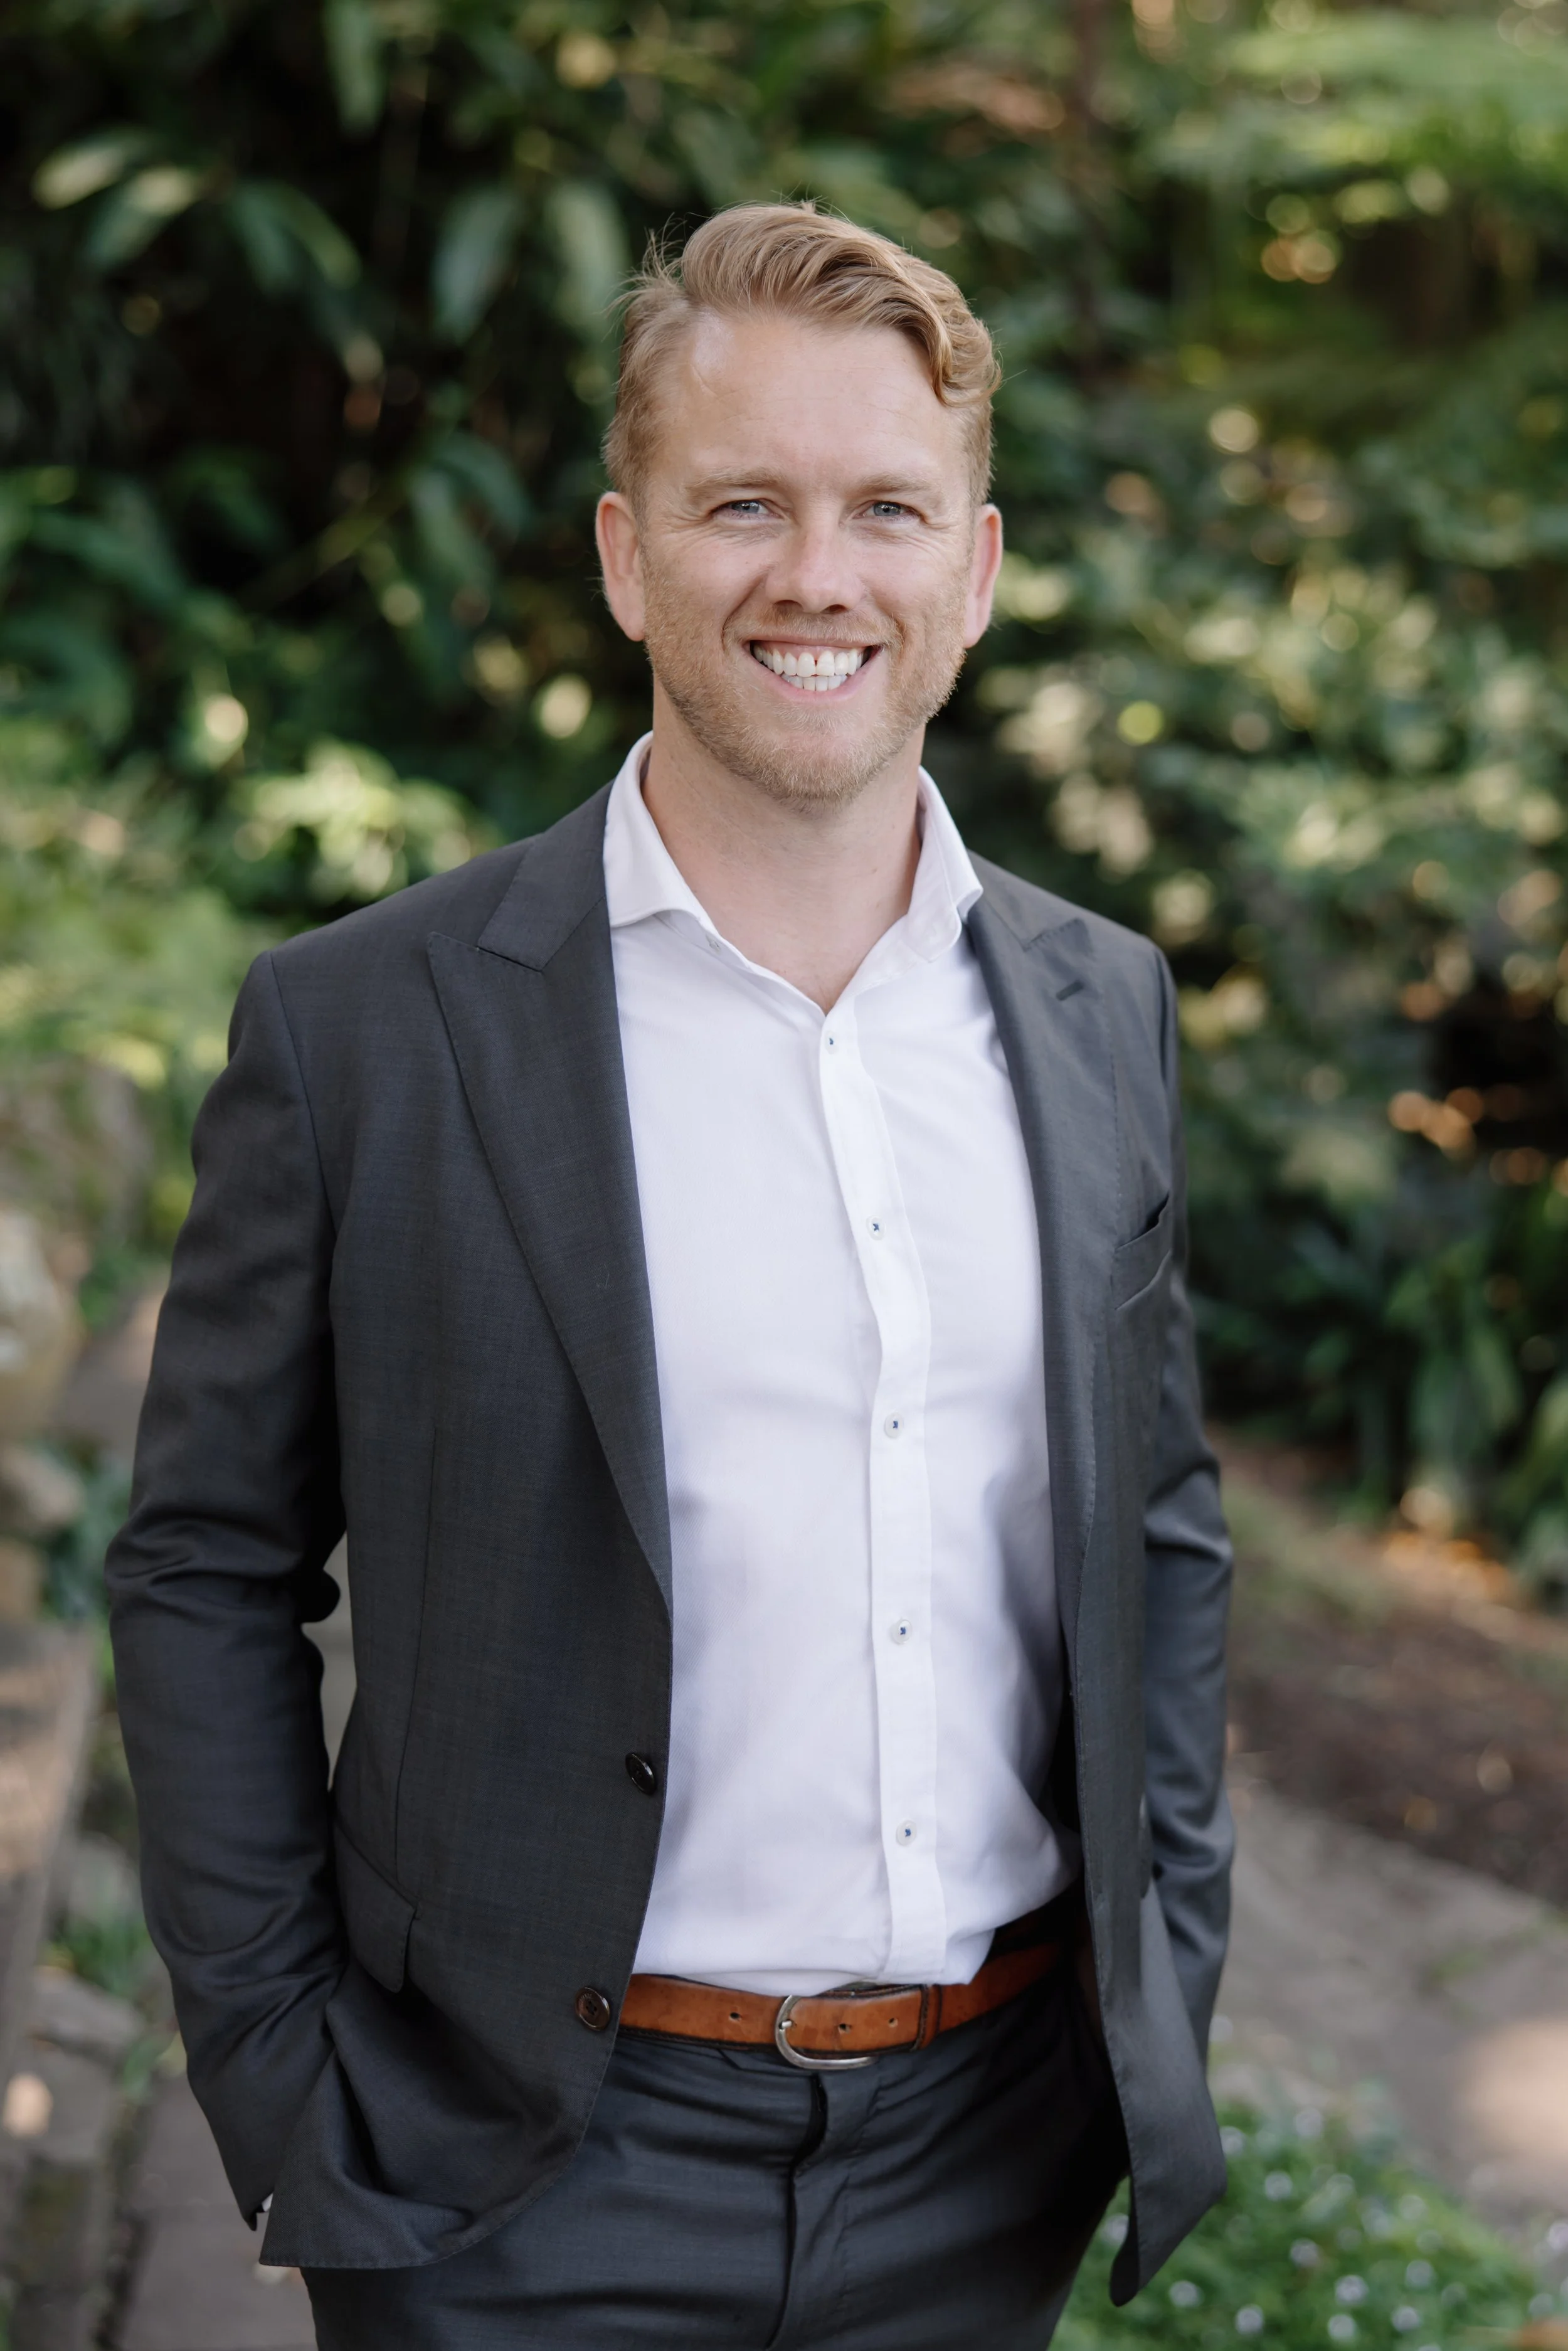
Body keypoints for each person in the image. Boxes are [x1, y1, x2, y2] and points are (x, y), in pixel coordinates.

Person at [107, 203, 1233, 2349]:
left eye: (886, 509)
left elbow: (1156, 1524)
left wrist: (1163, 1951)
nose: (818, 575)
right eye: (745, 505)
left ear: (973, 571)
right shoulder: (368, 1031)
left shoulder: (1101, 1012)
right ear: (629, 555)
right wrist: (282, 2070)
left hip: (980, 2154)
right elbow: (205, 1562)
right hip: (518, 2168)